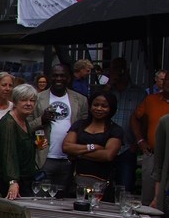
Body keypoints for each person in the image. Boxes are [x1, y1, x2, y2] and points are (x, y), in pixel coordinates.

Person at [31, 63, 87, 198]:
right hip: (44, 159)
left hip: (69, 160)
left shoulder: (80, 99)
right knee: (40, 199)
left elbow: (85, 128)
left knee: (63, 201)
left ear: (69, 78)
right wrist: (41, 120)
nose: (58, 79)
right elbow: (25, 126)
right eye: (55, 75)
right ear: (50, 77)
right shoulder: (37, 98)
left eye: (62, 76)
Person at [63, 89, 123, 198]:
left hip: (102, 184)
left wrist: (78, 153)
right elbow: (66, 147)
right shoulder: (79, 125)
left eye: (104, 106)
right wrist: (92, 147)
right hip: (76, 182)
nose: (99, 108)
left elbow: (108, 155)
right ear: (90, 106)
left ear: (111, 108)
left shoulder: (115, 130)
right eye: (96, 105)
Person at [105, 58, 146, 193]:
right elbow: (93, 105)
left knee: (125, 188)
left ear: (127, 70)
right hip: (104, 145)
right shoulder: (106, 92)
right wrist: (109, 84)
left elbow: (144, 121)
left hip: (128, 148)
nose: (119, 73)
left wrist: (136, 144)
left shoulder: (139, 93)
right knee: (102, 188)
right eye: (115, 70)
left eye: (121, 69)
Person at [0, 83, 39, 199]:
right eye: (24, 100)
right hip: (14, 183)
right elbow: (8, 154)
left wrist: (33, 144)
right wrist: (13, 181)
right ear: (14, 102)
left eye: (32, 100)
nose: (29, 103)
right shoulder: (9, 123)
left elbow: (19, 144)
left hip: (26, 180)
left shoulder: (23, 120)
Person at [131, 75, 169, 208]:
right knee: (147, 199)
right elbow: (135, 118)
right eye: (167, 79)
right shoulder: (151, 100)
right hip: (153, 154)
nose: (168, 83)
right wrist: (140, 140)